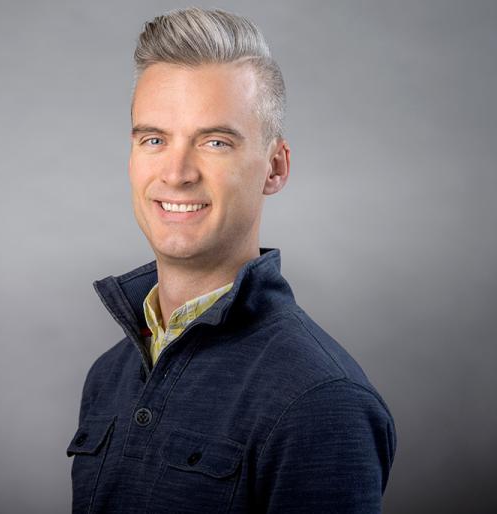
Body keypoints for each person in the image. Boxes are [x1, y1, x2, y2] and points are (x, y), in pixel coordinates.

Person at [68, 7, 396, 513]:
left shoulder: (322, 399)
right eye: (154, 139)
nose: (176, 173)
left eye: (215, 142)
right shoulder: (108, 377)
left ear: (275, 167)